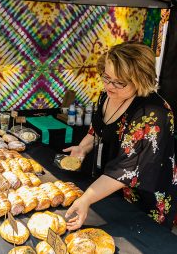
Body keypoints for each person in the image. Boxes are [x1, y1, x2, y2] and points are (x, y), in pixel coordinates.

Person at [64, 42, 176, 230]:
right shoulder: (107, 95)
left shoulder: (153, 115)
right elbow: (97, 128)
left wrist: (86, 199)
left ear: (140, 79)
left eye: (119, 82)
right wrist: (83, 147)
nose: (109, 86)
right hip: (110, 188)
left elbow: (128, 169)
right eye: (106, 77)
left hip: (144, 200)